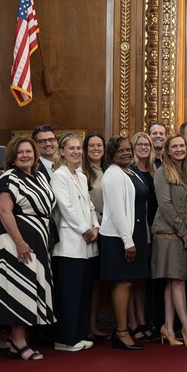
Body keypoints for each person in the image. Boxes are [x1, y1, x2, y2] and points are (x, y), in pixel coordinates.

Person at [0, 135, 57, 361]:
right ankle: (18, 341)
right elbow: (4, 211)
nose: (25, 155)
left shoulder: (39, 176)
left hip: (35, 241)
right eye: (20, 152)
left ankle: (17, 341)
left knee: (29, 289)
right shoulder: (8, 178)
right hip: (13, 242)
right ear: (12, 157)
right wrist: (20, 242)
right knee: (18, 290)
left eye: (29, 151)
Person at [98, 136, 150, 351]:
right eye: (121, 150)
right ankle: (121, 332)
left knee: (130, 282)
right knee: (124, 282)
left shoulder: (130, 172)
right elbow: (118, 211)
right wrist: (128, 242)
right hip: (119, 238)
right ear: (111, 154)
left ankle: (125, 329)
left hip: (133, 235)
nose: (127, 153)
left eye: (129, 149)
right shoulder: (112, 175)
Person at [50, 132, 100, 352]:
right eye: (71, 148)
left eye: (79, 148)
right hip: (69, 243)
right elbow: (65, 207)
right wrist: (84, 229)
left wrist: (96, 227)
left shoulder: (81, 175)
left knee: (82, 292)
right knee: (69, 294)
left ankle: (79, 334)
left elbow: (90, 205)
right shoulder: (59, 175)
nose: (76, 152)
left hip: (87, 243)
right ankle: (65, 339)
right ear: (62, 152)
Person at [152, 134, 187, 346]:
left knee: (174, 281)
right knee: (177, 281)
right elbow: (165, 205)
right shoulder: (162, 172)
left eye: (182, 146)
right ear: (168, 151)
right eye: (175, 146)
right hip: (168, 234)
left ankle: (169, 329)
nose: (180, 149)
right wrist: (183, 231)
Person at [129, 131, 159, 339]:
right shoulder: (129, 171)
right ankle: (132, 323)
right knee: (131, 279)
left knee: (143, 279)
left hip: (151, 229)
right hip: (135, 229)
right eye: (139, 144)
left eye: (146, 144)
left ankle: (142, 320)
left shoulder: (155, 171)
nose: (143, 147)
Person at [82, 130, 109, 341]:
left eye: (99, 145)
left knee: (99, 282)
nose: (96, 149)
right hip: (90, 232)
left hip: (107, 232)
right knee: (88, 282)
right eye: (92, 145)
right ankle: (86, 327)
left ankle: (93, 323)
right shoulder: (83, 172)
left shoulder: (108, 170)